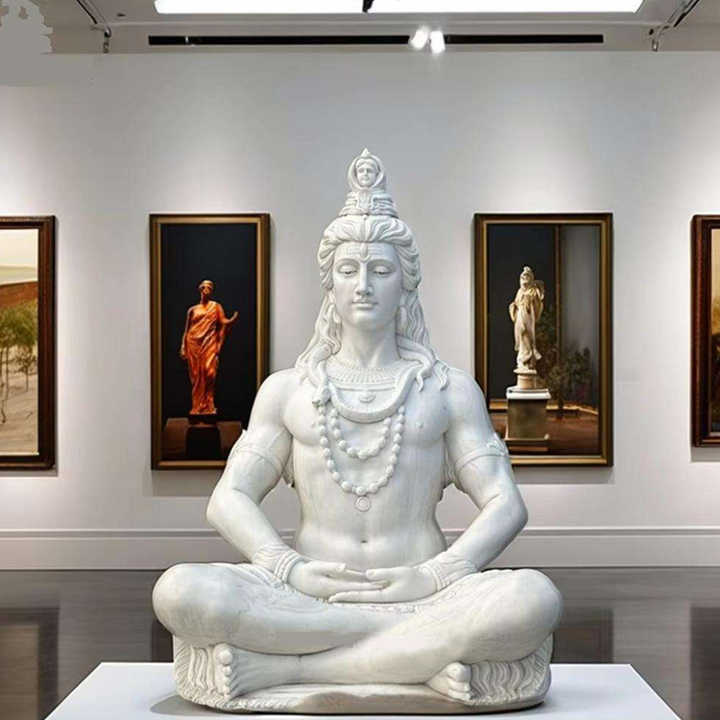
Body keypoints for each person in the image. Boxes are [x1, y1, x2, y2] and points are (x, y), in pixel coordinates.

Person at [153, 152, 562, 712]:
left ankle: (291, 667)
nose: (364, 285)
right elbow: (228, 499)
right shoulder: (288, 390)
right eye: (349, 270)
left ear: (406, 284)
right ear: (330, 285)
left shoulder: (447, 389)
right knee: (179, 591)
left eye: (381, 271)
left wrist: (439, 576)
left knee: (533, 598)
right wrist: (288, 567)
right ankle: (414, 658)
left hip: (422, 591)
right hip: (307, 597)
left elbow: (506, 504)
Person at [180, 280, 238, 416]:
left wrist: (231, 320)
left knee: (209, 372)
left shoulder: (216, 307)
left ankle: (209, 402)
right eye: (205, 288)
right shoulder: (192, 310)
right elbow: (186, 330)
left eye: (209, 288)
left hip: (209, 342)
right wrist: (183, 346)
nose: (207, 290)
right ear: (200, 289)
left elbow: (223, 322)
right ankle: (197, 406)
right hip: (193, 343)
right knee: (196, 376)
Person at [508, 267, 545, 373]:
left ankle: (529, 359)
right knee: (521, 337)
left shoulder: (533, 291)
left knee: (527, 336)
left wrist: (530, 300)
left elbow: (538, 304)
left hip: (528, 316)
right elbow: (516, 303)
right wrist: (513, 307)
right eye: (522, 277)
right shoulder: (520, 291)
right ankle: (522, 361)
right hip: (520, 316)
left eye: (527, 276)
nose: (524, 279)